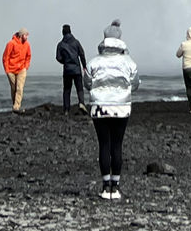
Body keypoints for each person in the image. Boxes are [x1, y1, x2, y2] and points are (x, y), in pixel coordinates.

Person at [84, 20, 140, 200]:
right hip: (121, 107)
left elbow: (87, 83)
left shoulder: (94, 62)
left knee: (104, 145)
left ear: (104, 40)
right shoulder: (129, 62)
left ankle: (105, 186)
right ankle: (115, 188)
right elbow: (135, 84)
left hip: (99, 107)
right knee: (117, 145)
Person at [55, 24, 87, 114]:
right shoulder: (76, 42)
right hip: (77, 69)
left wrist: (65, 62)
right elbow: (82, 54)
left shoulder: (60, 44)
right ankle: (81, 103)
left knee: (67, 90)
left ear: (62, 33)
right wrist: (84, 66)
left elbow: (58, 57)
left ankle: (66, 109)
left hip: (67, 70)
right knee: (79, 88)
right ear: (70, 31)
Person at [2, 28, 32, 112]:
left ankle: (16, 106)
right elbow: (5, 57)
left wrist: (26, 67)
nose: (27, 37)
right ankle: (14, 104)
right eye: (26, 35)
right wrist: (7, 70)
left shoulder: (27, 45)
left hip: (22, 69)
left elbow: (28, 56)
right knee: (14, 88)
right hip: (11, 70)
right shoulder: (11, 44)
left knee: (20, 88)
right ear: (21, 35)